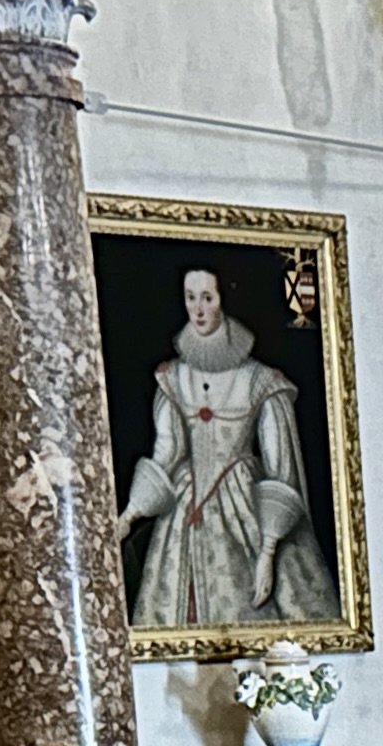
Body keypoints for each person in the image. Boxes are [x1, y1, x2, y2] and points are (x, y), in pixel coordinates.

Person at [120, 268, 329, 627]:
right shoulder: (173, 376)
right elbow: (167, 452)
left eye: (207, 298)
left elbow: (280, 468)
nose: (198, 310)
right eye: (191, 298)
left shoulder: (259, 379)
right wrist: (129, 515)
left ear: (223, 301)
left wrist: (267, 552)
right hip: (184, 510)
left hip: (244, 506)